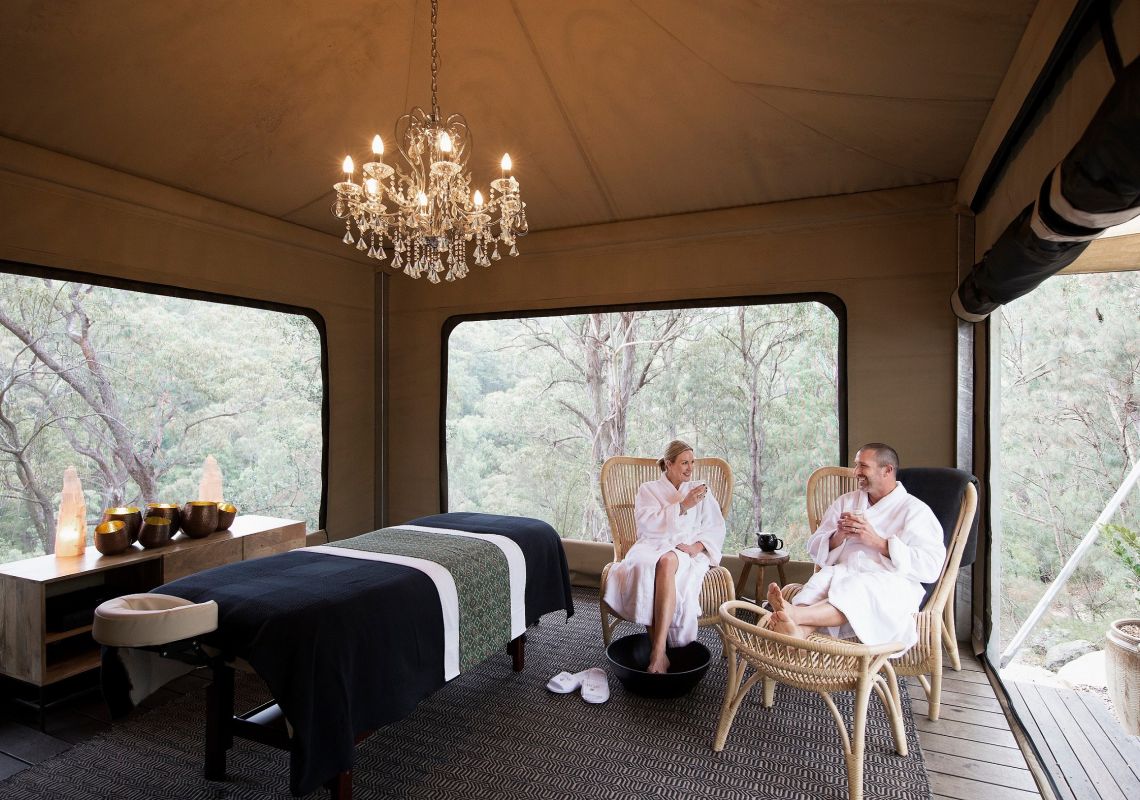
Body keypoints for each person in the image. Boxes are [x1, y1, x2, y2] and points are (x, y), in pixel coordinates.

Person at [766, 443, 945, 654]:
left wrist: (877, 542)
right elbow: (814, 547)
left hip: (892, 582)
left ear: (887, 470)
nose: (856, 472)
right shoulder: (846, 502)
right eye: (856, 465)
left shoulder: (915, 511)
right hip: (845, 570)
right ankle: (799, 633)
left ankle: (796, 615)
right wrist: (838, 535)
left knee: (858, 587)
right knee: (820, 582)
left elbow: (931, 565)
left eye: (863, 466)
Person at [602, 440, 726, 673]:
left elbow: (715, 527)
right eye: (684, 463)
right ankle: (659, 652)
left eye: (692, 462)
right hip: (651, 544)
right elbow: (646, 525)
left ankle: (658, 651)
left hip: (684, 550)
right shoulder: (648, 489)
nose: (690, 468)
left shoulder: (700, 489)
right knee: (645, 566)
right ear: (668, 464)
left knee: (667, 560)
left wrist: (698, 547)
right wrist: (683, 505)